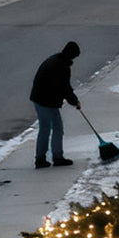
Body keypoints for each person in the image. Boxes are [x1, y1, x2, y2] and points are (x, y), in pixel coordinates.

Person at [29, 41, 82, 169]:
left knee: (45, 128)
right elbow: (65, 88)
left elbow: (62, 87)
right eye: (74, 56)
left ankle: (40, 159)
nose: (74, 59)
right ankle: (57, 157)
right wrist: (75, 102)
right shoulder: (62, 66)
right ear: (71, 54)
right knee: (57, 128)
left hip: (39, 98)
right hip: (46, 100)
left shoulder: (55, 59)